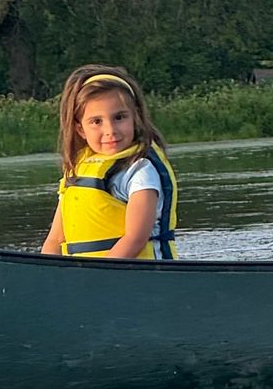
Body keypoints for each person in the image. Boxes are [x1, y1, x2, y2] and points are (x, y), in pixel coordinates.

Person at [41, 64, 178, 259]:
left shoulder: (140, 171)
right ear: (80, 129)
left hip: (138, 278)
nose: (110, 130)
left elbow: (136, 239)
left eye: (119, 117)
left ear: (136, 118)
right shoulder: (76, 172)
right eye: (96, 122)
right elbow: (55, 240)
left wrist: (98, 278)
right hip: (91, 279)